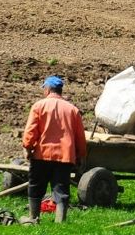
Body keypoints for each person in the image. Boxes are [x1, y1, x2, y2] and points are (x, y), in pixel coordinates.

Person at [21, 75, 87, 224]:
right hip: (64, 156)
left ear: (48, 89)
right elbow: (80, 136)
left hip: (41, 155)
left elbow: (31, 131)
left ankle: (33, 218)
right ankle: (60, 221)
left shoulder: (38, 106)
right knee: (61, 188)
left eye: (44, 88)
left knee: (36, 186)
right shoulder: (73, 110)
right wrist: (81, 155)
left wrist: (28, 147)